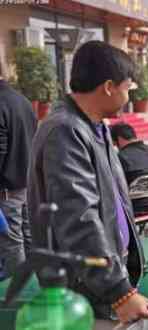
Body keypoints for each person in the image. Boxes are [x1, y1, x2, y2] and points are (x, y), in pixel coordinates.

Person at [27, 41, 148, 323]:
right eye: (127, 88)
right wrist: (118, 291)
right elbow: (78, 218)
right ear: (109, 86)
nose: (129, 95)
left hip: (100, 279)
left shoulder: (94, 126)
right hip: (82, 287)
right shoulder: (65, 130)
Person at [0, 61, 37, 278]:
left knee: (11, 244)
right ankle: (35, 292)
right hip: (26, 184)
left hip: (7, 190)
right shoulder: (22, 100)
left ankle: (18, 299)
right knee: (30, 239)